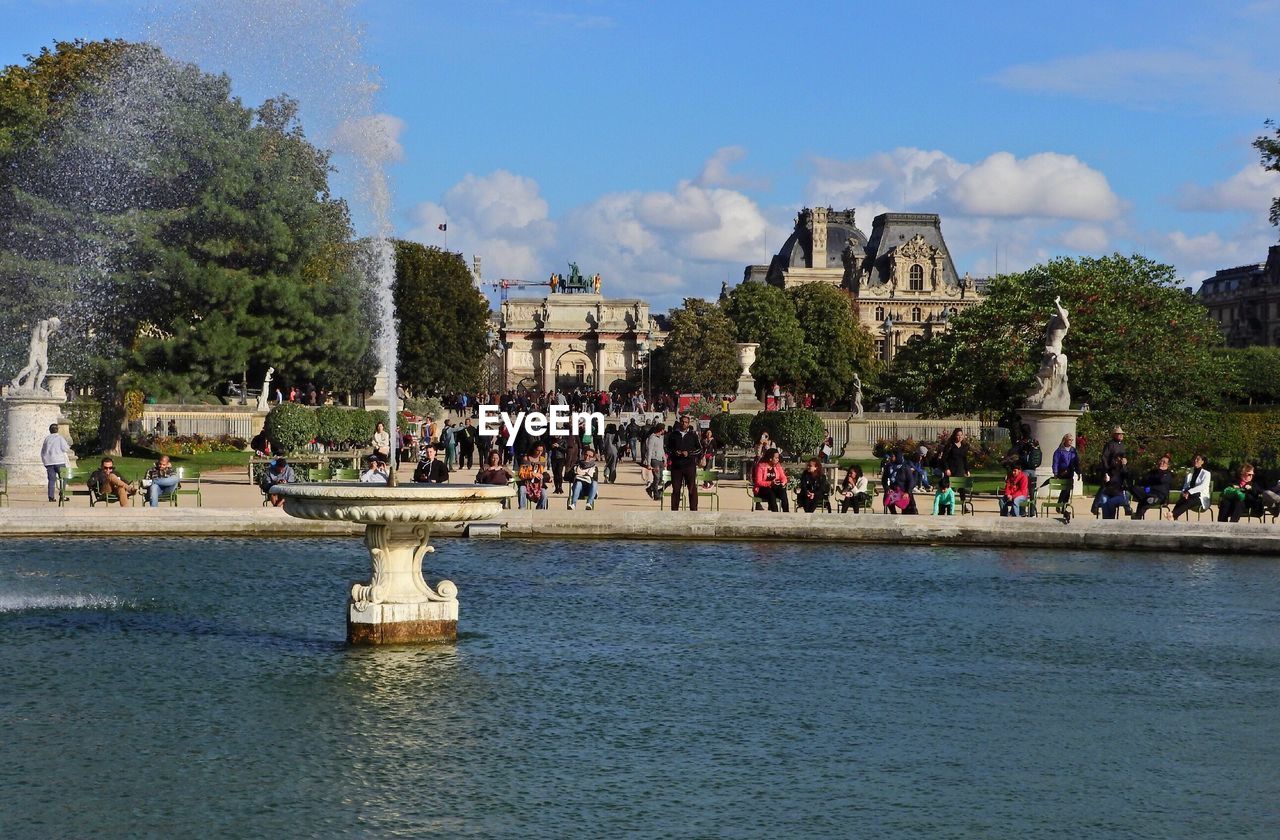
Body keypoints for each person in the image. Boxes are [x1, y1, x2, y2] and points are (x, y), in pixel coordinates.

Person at [665, 414, 701, 511]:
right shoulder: (673, 435)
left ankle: (693, 510)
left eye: (686, 422)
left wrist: (688, 453)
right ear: (679, 422)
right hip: (676, 466)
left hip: (689, 466)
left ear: (688, 424)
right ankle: (674, 510)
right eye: (682, 422)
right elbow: (667, 448)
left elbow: (699, 450)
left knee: (692, 489)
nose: (684, 423)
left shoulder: (693, 435)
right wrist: (674, 452)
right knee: (676, 490)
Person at [1171, 454, 1212, 521]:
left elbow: (1202, 486)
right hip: (1190, 496)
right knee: (1182, 499)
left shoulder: (1206, 473)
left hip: (1200, 497)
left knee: (1189, 501)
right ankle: (1173, 517)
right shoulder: (1190, 472)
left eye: (1198, 459)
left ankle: (1173, 515)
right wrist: (1184, 492)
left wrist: (1189, 492)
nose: (1195, 461)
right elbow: (1186, 485)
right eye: (1194, 459)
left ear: (1202, 462)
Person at [1132, 455, 1174, 520]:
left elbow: (1161, 480)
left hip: (1160, 495)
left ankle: (1137, 516)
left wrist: (1159, 472)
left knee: (1143, 502)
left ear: (1168, 465)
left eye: (1164, 462)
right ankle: (1148, 499)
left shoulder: (1168, 474)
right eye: (1161, 461)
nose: (1161, 463)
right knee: (1134, 488)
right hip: (1148, 492)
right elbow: (1144, 480)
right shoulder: (1153, 472)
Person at [1051, 434, 1082, 518]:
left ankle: (1063, 506)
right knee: (1065, 489)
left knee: (1067, 490)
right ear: (1065, 440)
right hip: (1062, 473)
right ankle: (1060, 504)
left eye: (1072, 440)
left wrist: (1078, 472)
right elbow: (1056, 462)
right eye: (1069, 440)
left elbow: (1076, 462)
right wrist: (1055, 472)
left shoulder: (1073, 450)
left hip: (1070, 472)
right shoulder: (1059, 450)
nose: (1071, 441)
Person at [39, 423, 71, 503]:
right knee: (64, 477)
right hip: (59, 461)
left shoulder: (47, 439)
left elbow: (43, 451)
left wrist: (45, 461)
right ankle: (62, 494)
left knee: (51, 480)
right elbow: (65, 448)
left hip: (49, 462)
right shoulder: (60, 438)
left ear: (50, 430)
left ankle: (51, 497)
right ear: (57, 430)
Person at [518, 444, 550, 509]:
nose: (539, 453)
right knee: (521, 490)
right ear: (534, 449)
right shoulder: (526, 458)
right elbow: (521, 474)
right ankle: (522, 509)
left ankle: (539, 510)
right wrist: (532, 474)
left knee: (544, 495)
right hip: (526, 483)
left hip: (538, 484)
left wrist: (546, 477)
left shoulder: (542, 460)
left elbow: (544, 472)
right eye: (538, 450)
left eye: (541, 451)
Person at [644, 422, 666, 500]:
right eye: (663, 429)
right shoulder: (652, 437)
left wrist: (665, 459)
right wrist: (649, 463)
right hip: (654, 459)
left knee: (661, 477)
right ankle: (656, 495)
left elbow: (662, 449)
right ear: (661, 429)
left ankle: (650, 488)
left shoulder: (661, 438)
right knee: (656, 477)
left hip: (660, 460)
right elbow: (649, 450)